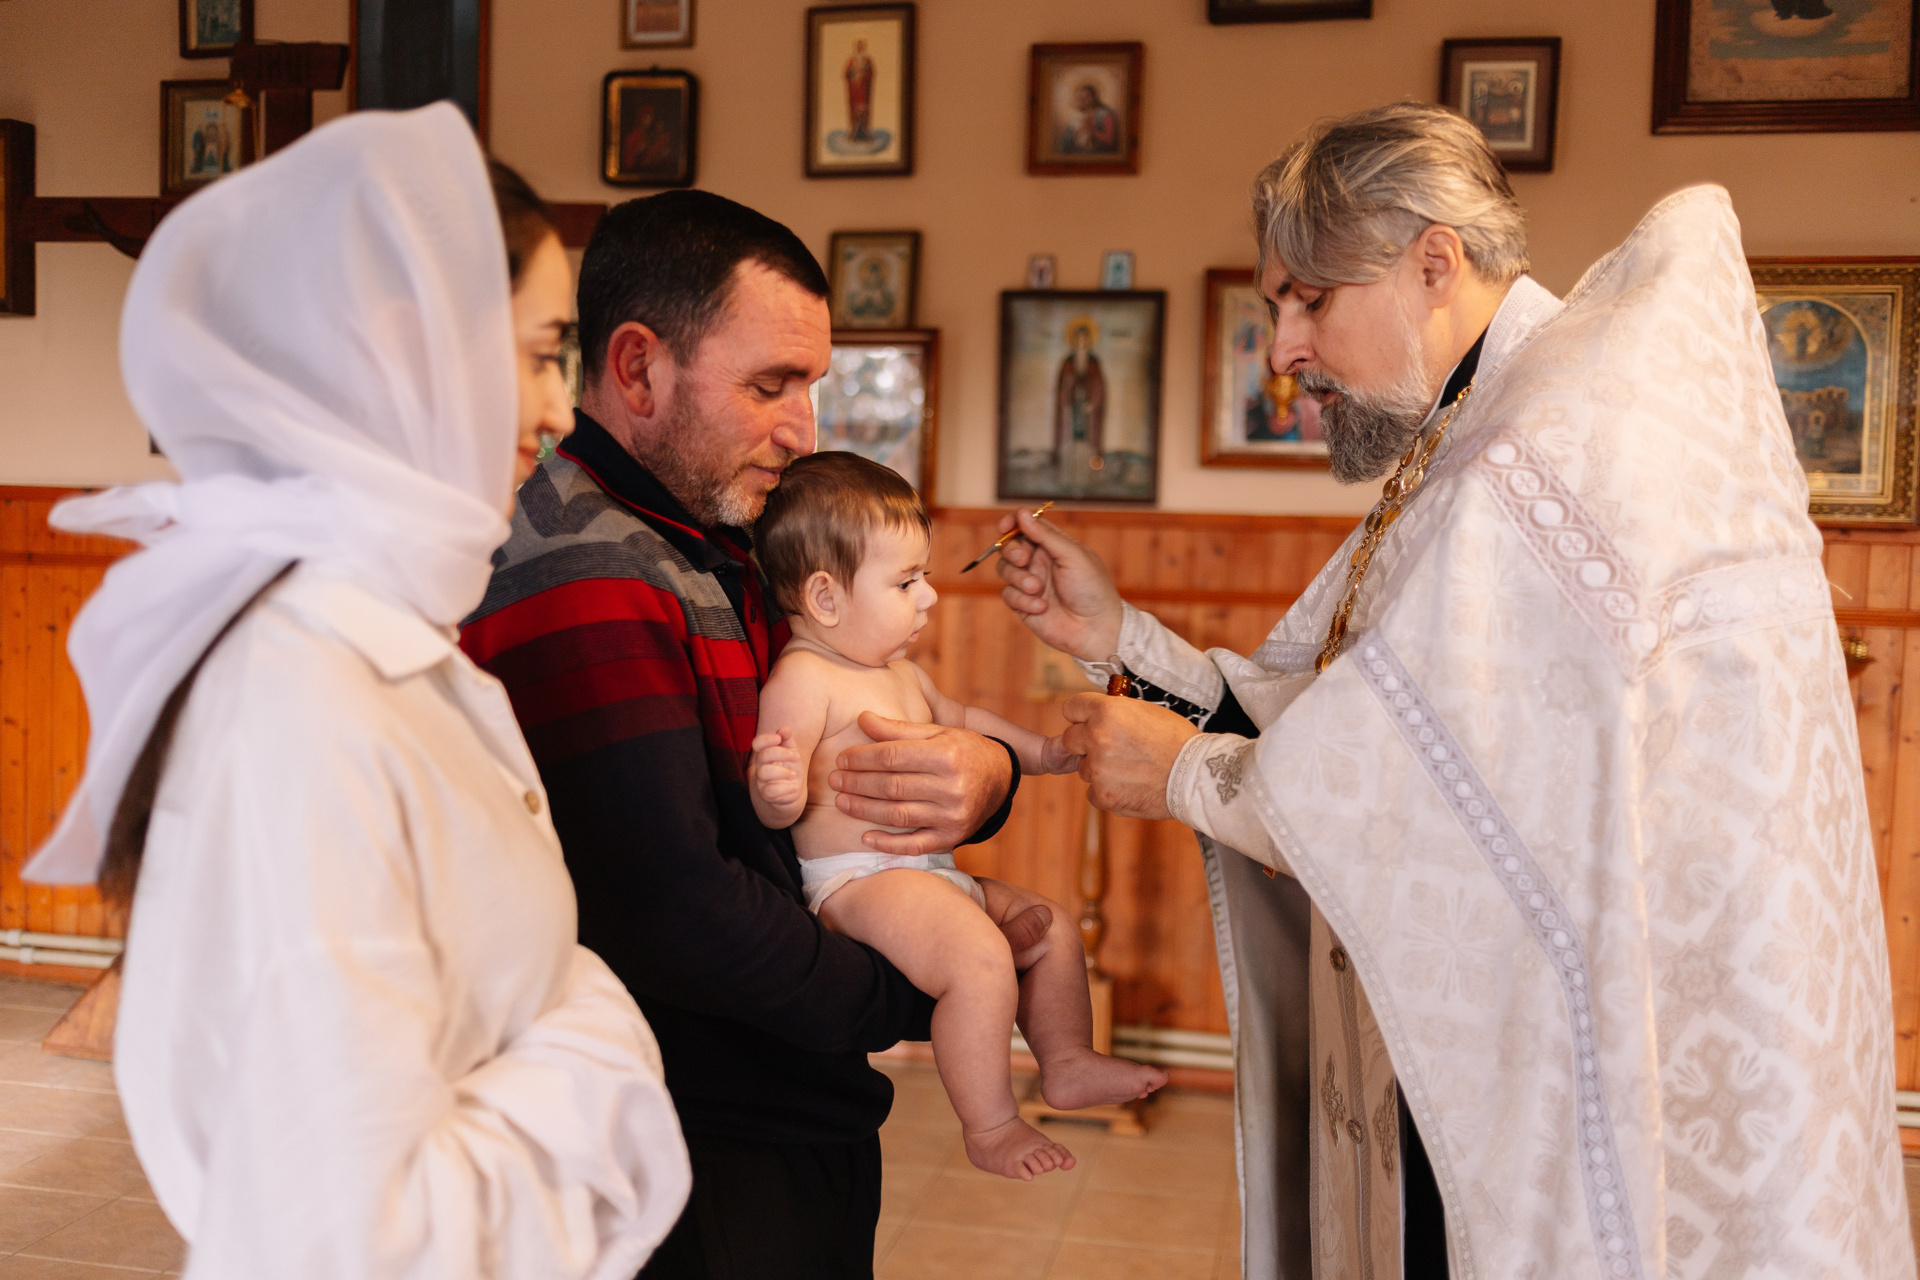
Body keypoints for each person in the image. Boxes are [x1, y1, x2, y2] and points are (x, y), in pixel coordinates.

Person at [997, 103, 1911, 1280]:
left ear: (1433, 261)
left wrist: (1182, 772)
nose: (1283, 349)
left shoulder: (1548, 447)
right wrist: (1117, 635)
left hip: (1570, 1065)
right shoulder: (1480, 435)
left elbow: (1460, 792)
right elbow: (1365, 717)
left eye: (1307, 300)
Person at [22, 105, 690, 1277]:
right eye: (541, 352)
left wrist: (557, 1016)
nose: (557, 410)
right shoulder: (303, 702)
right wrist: (602, 1058)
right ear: (406, 349)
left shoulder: (388, 642)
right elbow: (354, 1239)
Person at [459, 189, 1041, 1279]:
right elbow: (673, 908)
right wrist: (919, 982)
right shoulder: (589, 566)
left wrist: (989, 771)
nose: (804, 429)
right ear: (638, 368)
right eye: (769, 385)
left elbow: (863, 721)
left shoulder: (721, 527)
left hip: (785, 1104)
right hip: (690, 1139)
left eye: (811, 386)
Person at [746, 451, 1166, 1181]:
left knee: (1050, 929)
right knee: (979, 961)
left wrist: (1041, 753)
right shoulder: (804, 678)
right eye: (906, 581)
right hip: (859, 881)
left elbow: (968, 723)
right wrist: (775, 790)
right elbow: (773, 798)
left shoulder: (902, 674)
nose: (930, 596)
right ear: (825, 598)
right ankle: (991, 1124)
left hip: (929, 875)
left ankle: (1066, 1060)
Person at [1054, 318, 1105, 466]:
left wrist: (1092, 402)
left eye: (1084, 338)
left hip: (1087, 405)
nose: (1081, 341)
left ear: (1088, 340)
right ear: (1075, 340)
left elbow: (1098, 384)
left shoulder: (1093, 361)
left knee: (1087, 436)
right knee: (1072, 435)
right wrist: (1068, 393)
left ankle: (1090, 460)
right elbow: (1062, 384)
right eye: (1079, 338)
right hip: (1072, 404)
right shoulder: (1068, 360)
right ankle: (1066, 460)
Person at [845, 39, 875, 142]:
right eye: (858, 46)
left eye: (861, 46)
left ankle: (865, 131)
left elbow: (871, 73)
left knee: (863, 110)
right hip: (854, 91)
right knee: (854, 111)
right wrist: (853, 74)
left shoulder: (867, 60)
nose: (859, 48)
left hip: (864, 91)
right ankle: (854, 131)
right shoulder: (851, 60)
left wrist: (863, 73)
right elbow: (846, 74)